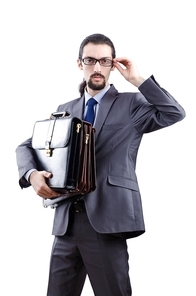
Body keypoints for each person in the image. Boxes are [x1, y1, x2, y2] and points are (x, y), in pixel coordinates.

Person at [16, 33, 186, 296]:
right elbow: (27, 146)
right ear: (79, 63)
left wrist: (137, 80)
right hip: (66, 223)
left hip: (107, 221)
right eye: (90, 60)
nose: (97, 67)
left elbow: (174, 112)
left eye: (104, 61)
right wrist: (31, 174)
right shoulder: (65, 109)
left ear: (113, 64)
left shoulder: (132, 104)